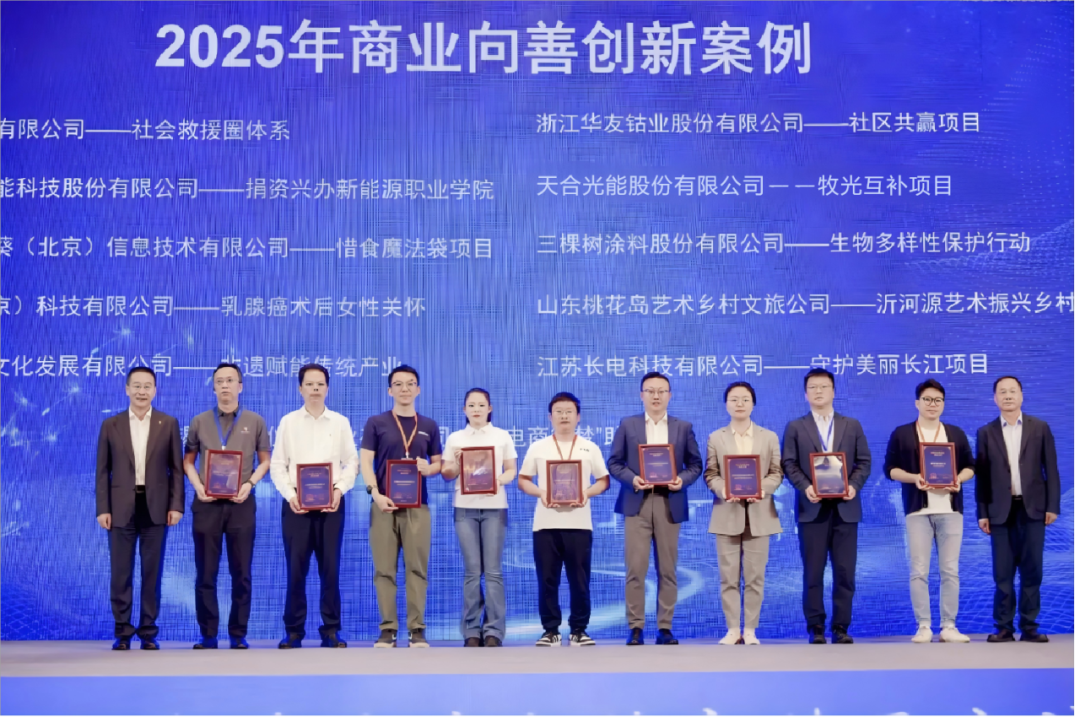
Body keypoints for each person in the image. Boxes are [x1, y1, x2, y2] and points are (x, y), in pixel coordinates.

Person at [607, 372, 702, 646]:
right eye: (650, 391)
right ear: (642, 395)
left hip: (669, 502)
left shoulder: (683, 427)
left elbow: (695, 465)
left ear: (670, 395)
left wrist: (681, 480)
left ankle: (665, 627)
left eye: (662, 391)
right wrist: (632, 479)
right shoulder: (628, 425)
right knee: (635, 569)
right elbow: (614, 463)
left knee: (668, 569)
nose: (656, 396)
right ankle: (636, 627)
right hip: (637, 501)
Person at [269, 363, 359, 649]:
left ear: (327, 388)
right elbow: (277, 465)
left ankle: (331, 630)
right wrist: (290, 494)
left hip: (332, 504)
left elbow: (352, 462)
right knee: (296, 569)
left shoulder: (340, 422)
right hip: (297, 505)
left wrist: (339, 489)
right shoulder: (288, 422)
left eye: (320, 384)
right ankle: (293, 631)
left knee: (330, 568)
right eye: (309, 384)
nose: (315, 389)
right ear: (300, 388)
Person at [95, 366, 184, 650]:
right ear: (127, 389)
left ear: (155, 390)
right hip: (120, 508)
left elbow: (176, 470)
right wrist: (102, 508)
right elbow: (102, 471)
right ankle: (122, 632)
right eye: (136, 386)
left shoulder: (168, 423)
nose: (142, 391)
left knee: (151, 573)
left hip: (156, 508)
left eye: (147, 386)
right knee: (120, 573)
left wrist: (176, 505)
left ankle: (148, 632)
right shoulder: (111, 425)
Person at [183, 362, 270, 650]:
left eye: (230, 380)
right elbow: (188, 461)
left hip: (241, 503)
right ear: (213, 387)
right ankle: (208, 634)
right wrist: (198, 486)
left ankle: (238, 633)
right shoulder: (199, 421)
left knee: (241, 572)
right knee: (205, 572)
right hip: (207, 503)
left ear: (240, 386)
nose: (224, 385)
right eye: (219, 381)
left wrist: (250, 484)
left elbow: (265, 461)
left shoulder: (255, 421)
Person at [781, 368, 872, 645]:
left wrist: (853, 485)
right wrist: (806, 486)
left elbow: (864, 462)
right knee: (813, 571)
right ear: (805, 394)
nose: (818, 391)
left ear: (833, 391)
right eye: (813, 387)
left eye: (823, 386)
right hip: (812, 509)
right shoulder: (796, 427)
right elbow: (788, 463)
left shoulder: (851, 425)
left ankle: (841, 627)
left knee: (845, 572)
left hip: (846, 508)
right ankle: (816, 626)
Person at [884, 379, 975, 644]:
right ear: (917, 403)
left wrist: (959, 479)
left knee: (950, 570)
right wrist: (915, 478)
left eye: (937, 400)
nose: (932, 404)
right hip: (918, 511)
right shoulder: (902, 433)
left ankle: (949, 626)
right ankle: (923, 626)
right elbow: (890, 470)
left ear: (943, 404)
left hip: (950, 510)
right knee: (919, 570)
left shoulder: (955, 433)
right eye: (927, 399)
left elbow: (970, 466)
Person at [518, 392, 610, 647]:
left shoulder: (590, 447)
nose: (564, 416)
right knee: (547, 580)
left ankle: (579, 630)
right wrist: (542, 493)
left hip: (579, 524)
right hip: (545, 524)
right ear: (550, 417)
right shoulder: (538, 447)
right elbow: (523, 480)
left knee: (579, 580)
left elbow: (603, 480)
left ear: (578, 417)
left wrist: (586, 493)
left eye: (569, 411)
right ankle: (551, 630)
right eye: (558, 412)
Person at [360, 365, 443, 648]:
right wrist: (374, 493)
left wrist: (429, 468)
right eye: (398, 384)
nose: (404, 389)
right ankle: (388, 629)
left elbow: (438, 463)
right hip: (383, 504)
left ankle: (416, 629)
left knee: (417, 569)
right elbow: (365, 462)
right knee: (384, 570)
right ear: (389, 390)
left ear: (418, 389)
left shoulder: (429, 425)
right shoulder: (376, 422)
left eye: (410, 384)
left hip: (417, 506)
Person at [976, 376, 1060, 643]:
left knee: (1032, 569)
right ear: (995, 398)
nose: (1008, 396)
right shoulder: (986, 432)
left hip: (1033, 508)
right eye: (1002, 392)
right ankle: (1003, 627)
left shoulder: (1040, 427)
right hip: (1000, 511)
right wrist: (982, 512)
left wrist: (1052, 505)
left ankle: (1029, 626)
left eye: (1013, 391)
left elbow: (1051, 469)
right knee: (1002, 572)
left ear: (1022, 396)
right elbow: (982, 477)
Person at [703, 382, 783, 646]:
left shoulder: (769, 437)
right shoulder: (716, 438)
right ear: (726, 404)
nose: (740, 403)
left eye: (745, 399)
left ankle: (750, 630)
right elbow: (710, 474)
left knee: (755, 577)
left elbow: (776, 472)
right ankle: (731, 629)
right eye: (734, 399)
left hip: (760, 514)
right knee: (728, 577)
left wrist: (762, 489)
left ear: (753, 404)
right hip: (726, 513)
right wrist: (724, 489)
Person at [440, 388, 519, 647]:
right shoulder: (455, 438)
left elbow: (511, 470)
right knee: (472, 571)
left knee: (493, 571)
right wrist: (456, 463)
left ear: (490, 408)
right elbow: (447, 474)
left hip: (495, 507)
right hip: (464, 507)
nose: (476, 409)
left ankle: (494, 630)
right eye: (471, 405)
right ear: (464, 410)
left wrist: (498, 481)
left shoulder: (502, 436)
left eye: (481, 405)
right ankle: (471, 631)